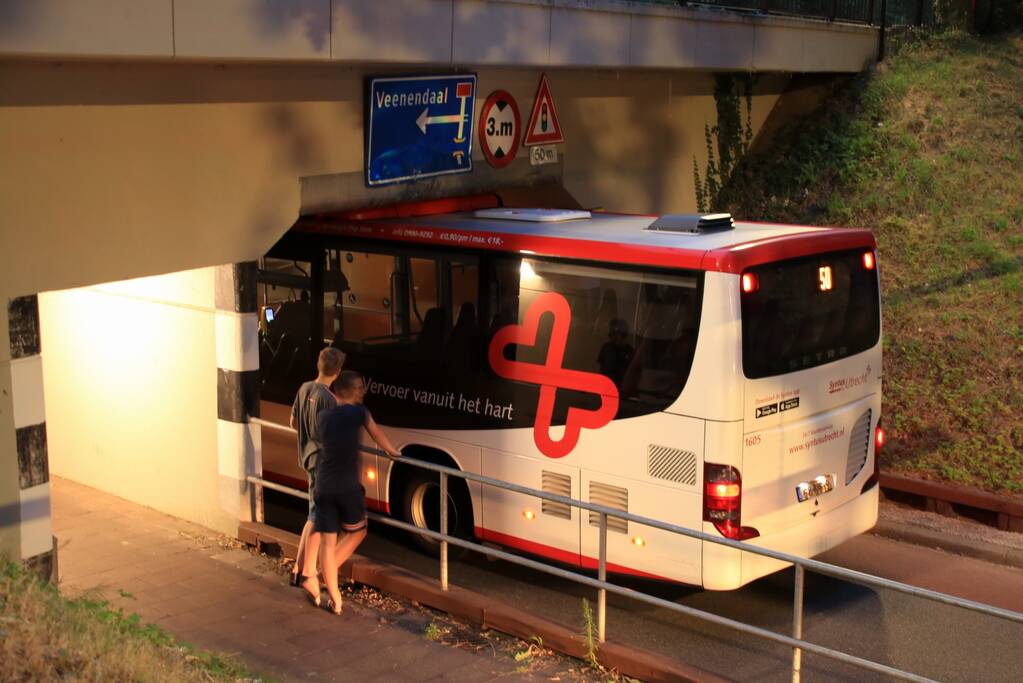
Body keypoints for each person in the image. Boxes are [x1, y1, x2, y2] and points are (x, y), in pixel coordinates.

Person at [301, 371, 400, 614]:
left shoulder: (323, 417)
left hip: (323, 484)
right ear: (348, 391)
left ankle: (335, 599)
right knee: (359, 531)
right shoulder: (359, 413)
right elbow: (377, 434)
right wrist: (393, 452)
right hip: (346, 486)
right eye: (359, 387)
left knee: (328, 541)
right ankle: (323, 574)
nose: (362, 391)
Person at [288, 346, 346, 588]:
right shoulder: (329, 400)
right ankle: (307, 573)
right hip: (323, 464)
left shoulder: (304, 388)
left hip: (307, 459)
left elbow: (293, 422)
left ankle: (297, 568)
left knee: (312, 514)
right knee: (317, 518)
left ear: (318, 365)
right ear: (338, 372)